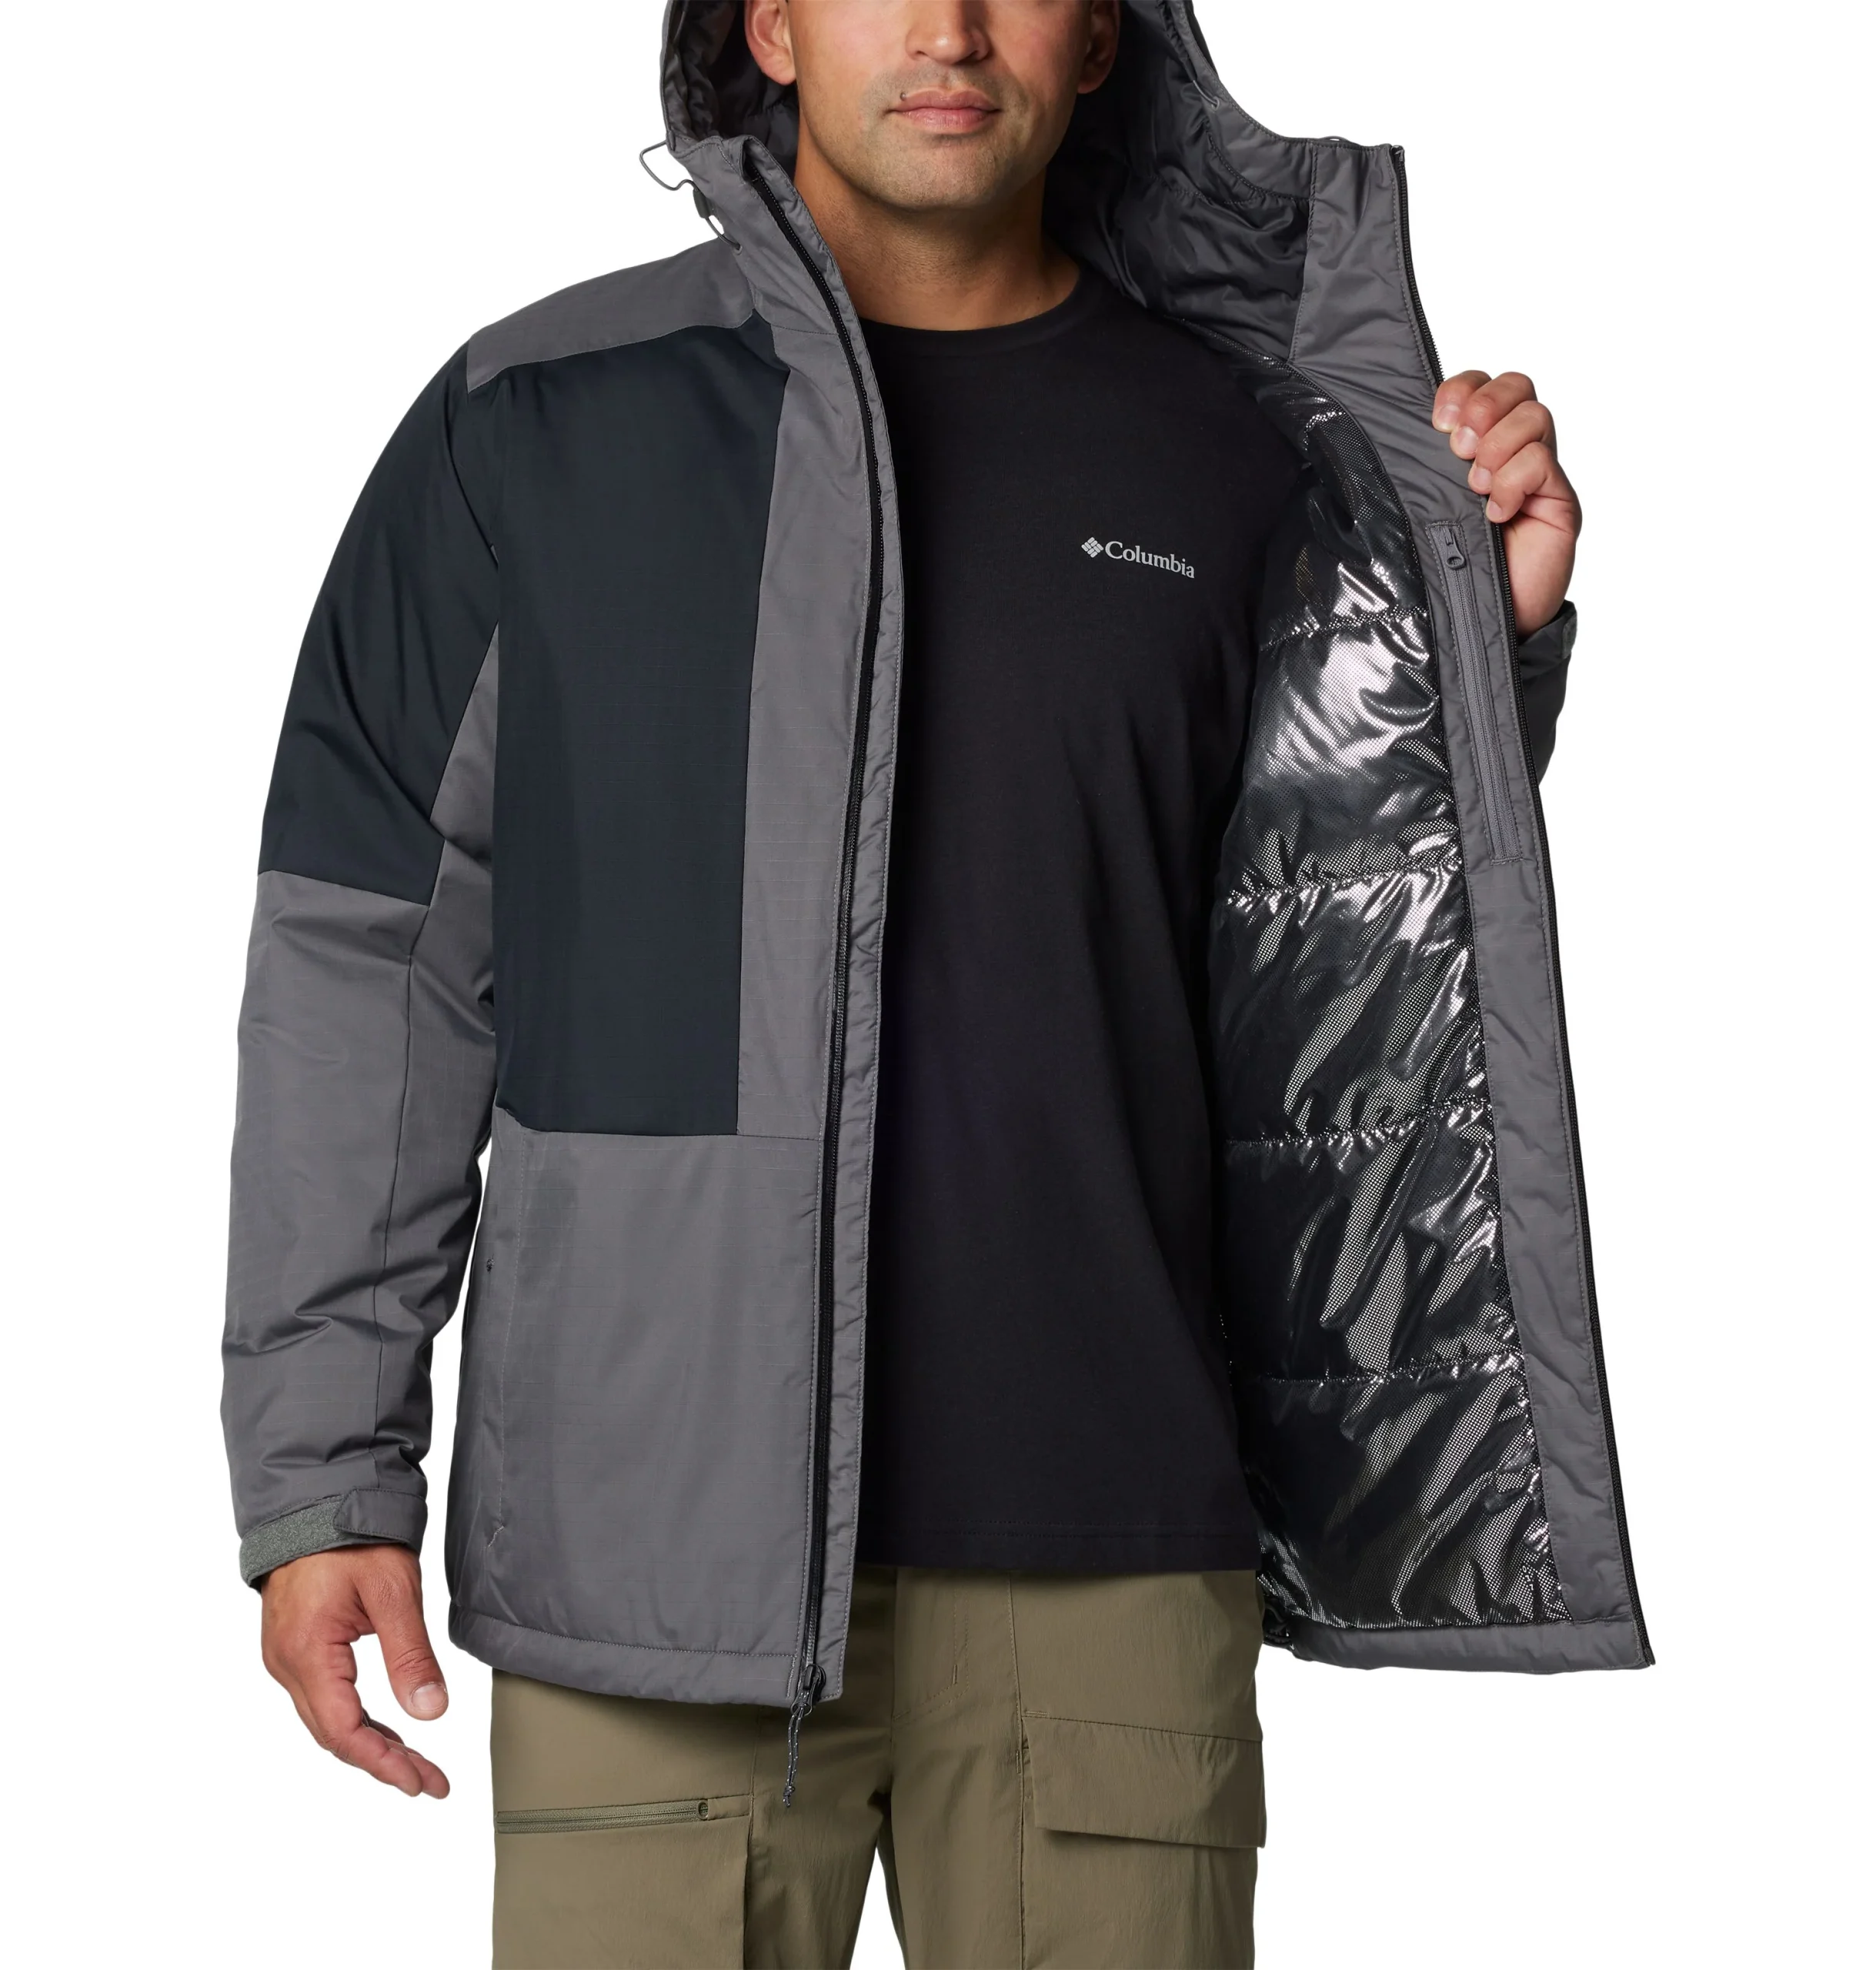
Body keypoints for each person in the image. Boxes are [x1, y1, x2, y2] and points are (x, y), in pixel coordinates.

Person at [223, 2, 1650, 1963]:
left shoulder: (1237, 450)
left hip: (1109, 1548)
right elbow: (365, 956)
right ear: (768, 25)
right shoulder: (533, 424)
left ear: (1101, 37)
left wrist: (1474, 645)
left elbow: (1336, 928)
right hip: (648, 1563)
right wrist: (324, 1476)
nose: (949, 27)